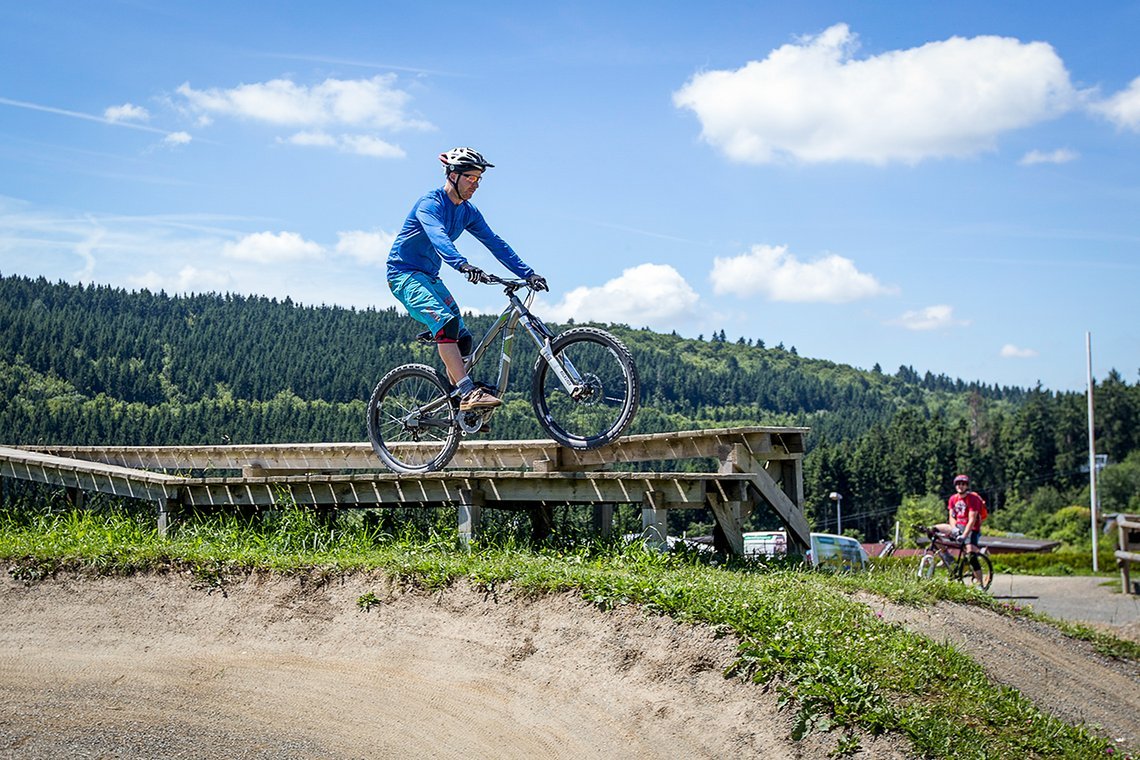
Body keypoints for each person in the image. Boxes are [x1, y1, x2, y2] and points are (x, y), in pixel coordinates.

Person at [386, 147, 548, 411]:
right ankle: (467, 391)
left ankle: (459, 404)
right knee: (445, 323)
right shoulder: (431, 204)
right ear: (452, 175)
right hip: (404, 274)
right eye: (470, 177)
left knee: (463, 337)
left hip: (429, 277)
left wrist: (527, 273)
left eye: (478, 179)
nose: (476, 184)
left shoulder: (468, 212)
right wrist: (462, 265)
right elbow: (438, 236)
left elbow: (494, 242)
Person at [936, 474, 987, 583]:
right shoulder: (953, 499)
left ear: (967, 486)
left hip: (971, 529)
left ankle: (979, 584)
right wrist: (954, 529)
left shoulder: (973, 498)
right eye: (958, 484)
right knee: (933, 531)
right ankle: (947, 556)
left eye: (963, 484)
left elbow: (972, 520)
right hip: (957, 526)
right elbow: (951, 516)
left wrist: (964, 535)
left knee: (971, 555)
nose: (960, 486)